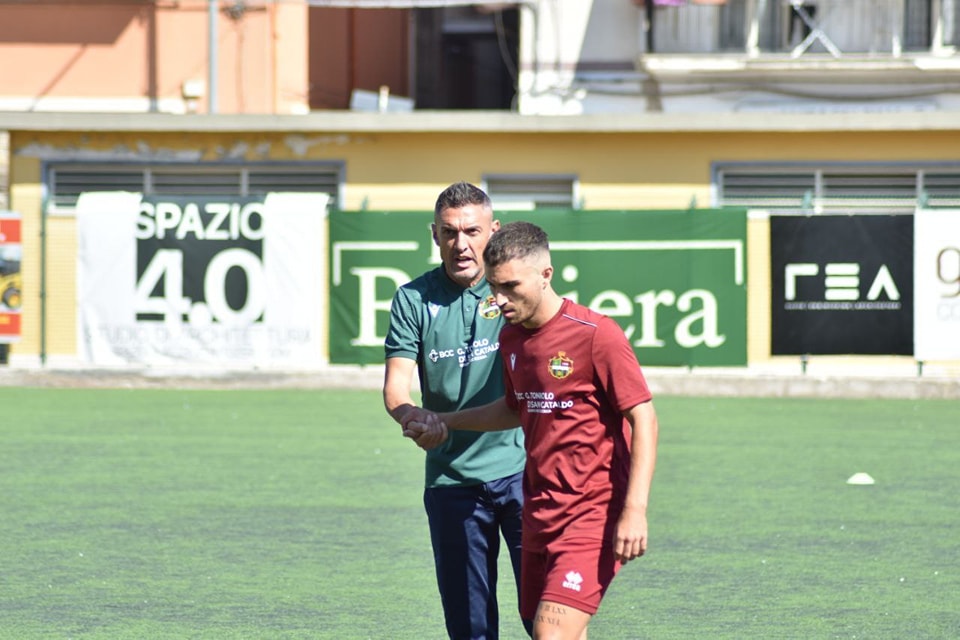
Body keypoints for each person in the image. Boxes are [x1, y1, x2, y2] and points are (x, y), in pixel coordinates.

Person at [404, 221, 659, 640]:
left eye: (510, 286)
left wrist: (634, 510)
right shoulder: (512, 339)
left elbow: (643, 418)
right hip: (539, 512)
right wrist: (446, 421)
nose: (499, 300)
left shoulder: (597, 335)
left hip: (591, 513)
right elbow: (514, 407)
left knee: (549, 632)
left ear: (546, 275)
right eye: (493, 287)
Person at [383, 182, 530, 639]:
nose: (460, 244)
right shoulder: (413, 298)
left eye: (471, 231)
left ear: (494, 231)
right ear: (435, 235)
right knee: (471, 629)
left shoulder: (515, 290)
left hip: (525, 473)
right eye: (449, 232)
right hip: (452, 482)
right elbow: (396, 388)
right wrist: (413, 418)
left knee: (549, 618)